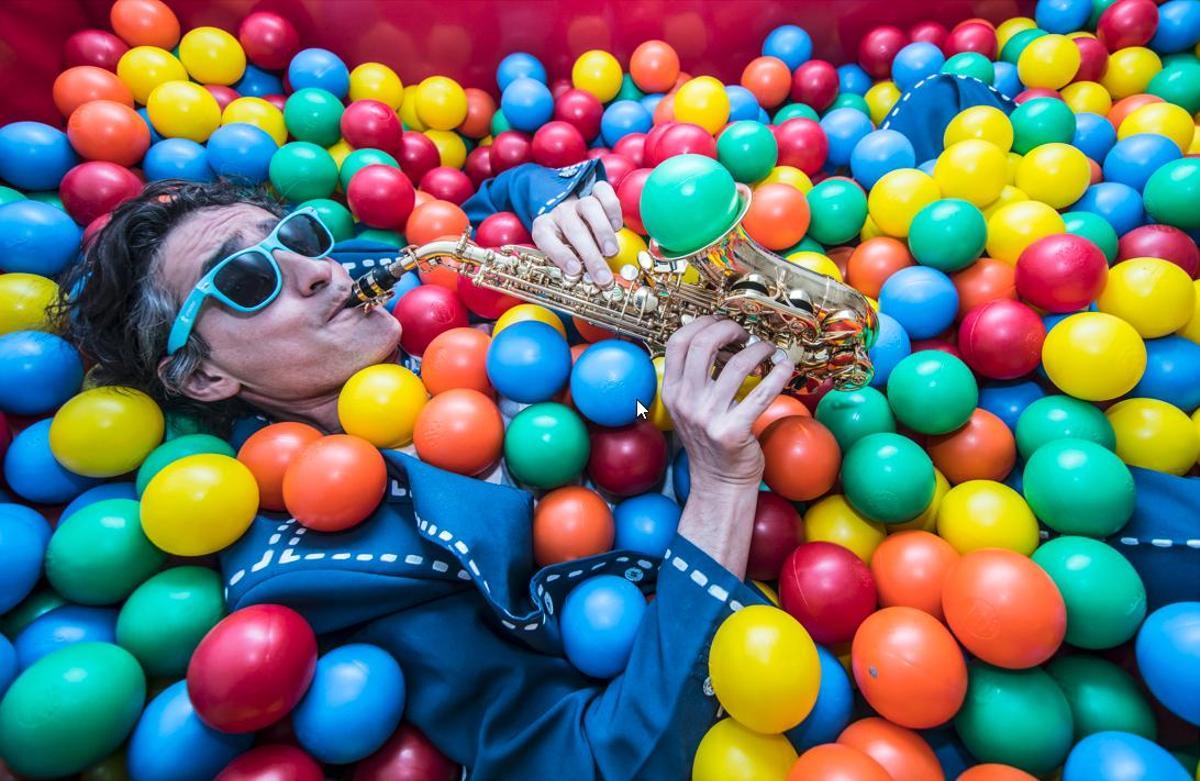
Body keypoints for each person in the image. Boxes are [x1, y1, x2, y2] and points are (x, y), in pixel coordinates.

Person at [59, 158, 794, 779]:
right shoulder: (331, 561)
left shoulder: (359, 283)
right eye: (249, 279)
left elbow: (492, 197)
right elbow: (601, 758)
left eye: (299, 236)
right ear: (204, 379)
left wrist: (558, 206)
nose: (316, 269)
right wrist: (724, 483)